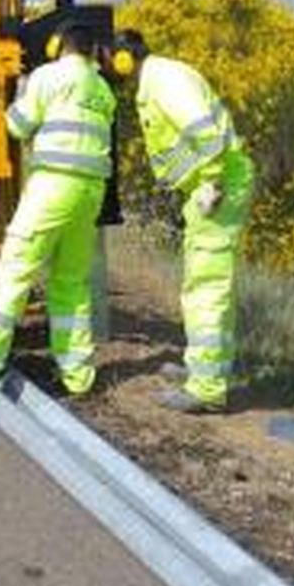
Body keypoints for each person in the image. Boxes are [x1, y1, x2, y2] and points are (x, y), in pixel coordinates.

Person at [0, 20, 116, 406]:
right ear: (90, 51)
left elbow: (18, 127)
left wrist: (12, 93)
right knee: (71, 284)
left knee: (14, 274)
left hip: (52, 187)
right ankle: (78, 376)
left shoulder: (48, 76)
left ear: (57, 47)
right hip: (90, 194)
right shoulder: (103, 89)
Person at [110, 29, 253, 413]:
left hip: (217, 190)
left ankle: (206, 389)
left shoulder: (164, 81)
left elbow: (205, 133)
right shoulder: (158, 79)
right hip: (208, 190)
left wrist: (211, 182)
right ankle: (203, 368)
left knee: (206, 289)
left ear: (124, 59)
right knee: (205, 286)